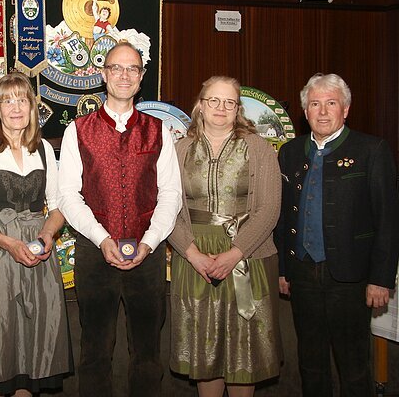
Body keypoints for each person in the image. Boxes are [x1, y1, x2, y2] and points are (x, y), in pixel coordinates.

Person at [57, 42, 182, 397]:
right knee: (95, 351)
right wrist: (101, 238)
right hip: (94, 252)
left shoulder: (159, 131)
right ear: (104, 74)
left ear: (141, 77)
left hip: (148, 254)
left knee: (147, 353)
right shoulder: (78, 130)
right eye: (116, 68)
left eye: (132, 69)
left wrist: (150, 242)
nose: (124, 75)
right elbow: (68, 195)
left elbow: (171, 194)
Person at [276, 73, 399, 397]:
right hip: (302, 274)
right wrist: (284, 270)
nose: (322, 111)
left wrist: (381, 279)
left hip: (351, 277)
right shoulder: (290, 152)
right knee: (310, 361)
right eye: (315, 104)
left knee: (353, 364)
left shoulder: (372, 150)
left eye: (331, 103)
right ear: (305, 111)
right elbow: (283, 216)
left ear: (345, 109)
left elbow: (388, 220)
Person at [0, 72, 72, 397]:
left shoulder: (44, 149)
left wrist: (47, 234)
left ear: (33, 109)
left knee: (32, 354)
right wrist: (8, 243)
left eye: (22, 100)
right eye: (7, 101)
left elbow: (58, 207)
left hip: (37, 258)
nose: (16, 107)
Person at [169, 76, 282, 397]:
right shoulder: (178, 150)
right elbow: (166, 209)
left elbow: (270, 208)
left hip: (248, 257)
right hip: (195, 259)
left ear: (238, 109)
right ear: (200, 106)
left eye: (229, 102)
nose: (221, 107)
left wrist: (236, 253)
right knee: (205, 353)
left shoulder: (259, 149)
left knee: (243, 352)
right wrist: (192, 253)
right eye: (214, 101)